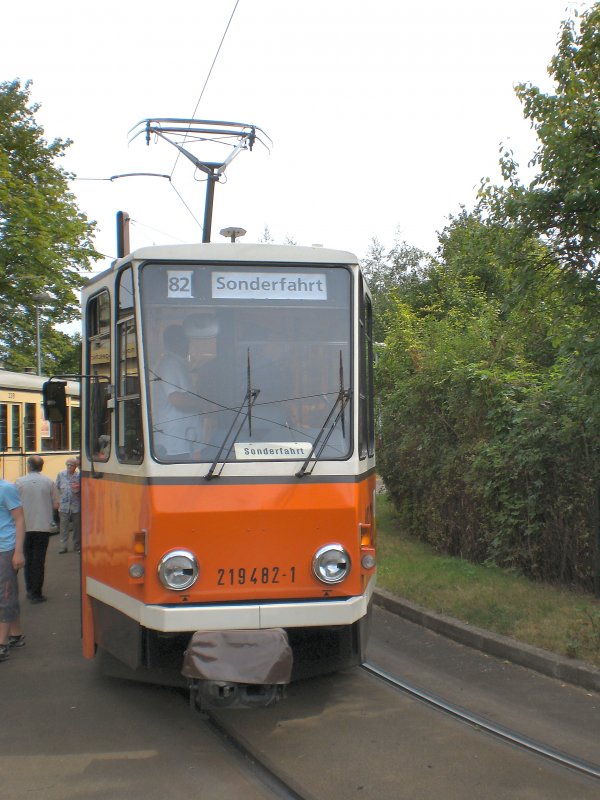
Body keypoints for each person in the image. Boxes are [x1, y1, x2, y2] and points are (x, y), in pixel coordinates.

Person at [151, 324, 205, 457]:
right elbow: (177, 400)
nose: (189, 344)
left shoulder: (176, 363)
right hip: (175, 443)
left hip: (181, 440)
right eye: (187, 340)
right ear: (179, 342)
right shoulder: (171, 364)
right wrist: (205, 405)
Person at [15, 456, 55, 603]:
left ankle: (29, 589)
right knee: (39, 560)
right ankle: (37, 593)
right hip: (43, 526)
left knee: (27, 558)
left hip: (25, 527)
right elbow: (56, 504)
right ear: (42, 467)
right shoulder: (49, 482)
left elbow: (14, 504)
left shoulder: (19, 482)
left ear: (29, 466)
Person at [0, 479, 25, 662]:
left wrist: (18, 552)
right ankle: (16, 635)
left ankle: (1, 644)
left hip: (6, 550)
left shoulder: (6, 488)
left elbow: (19, 519)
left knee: (5, 594)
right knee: (9, 592)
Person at [54, 457, 81, 554]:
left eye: (72, 465)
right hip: (64, 505)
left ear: (75, 467)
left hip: (76, 505)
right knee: (63, 527)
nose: (69, 466)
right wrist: (56, 501)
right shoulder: (61, 474)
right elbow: (56, 488)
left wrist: (78, 488)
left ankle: (77, 545)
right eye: (68, 464)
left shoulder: (78, 476)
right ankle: (63, 546)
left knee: (77, 527)